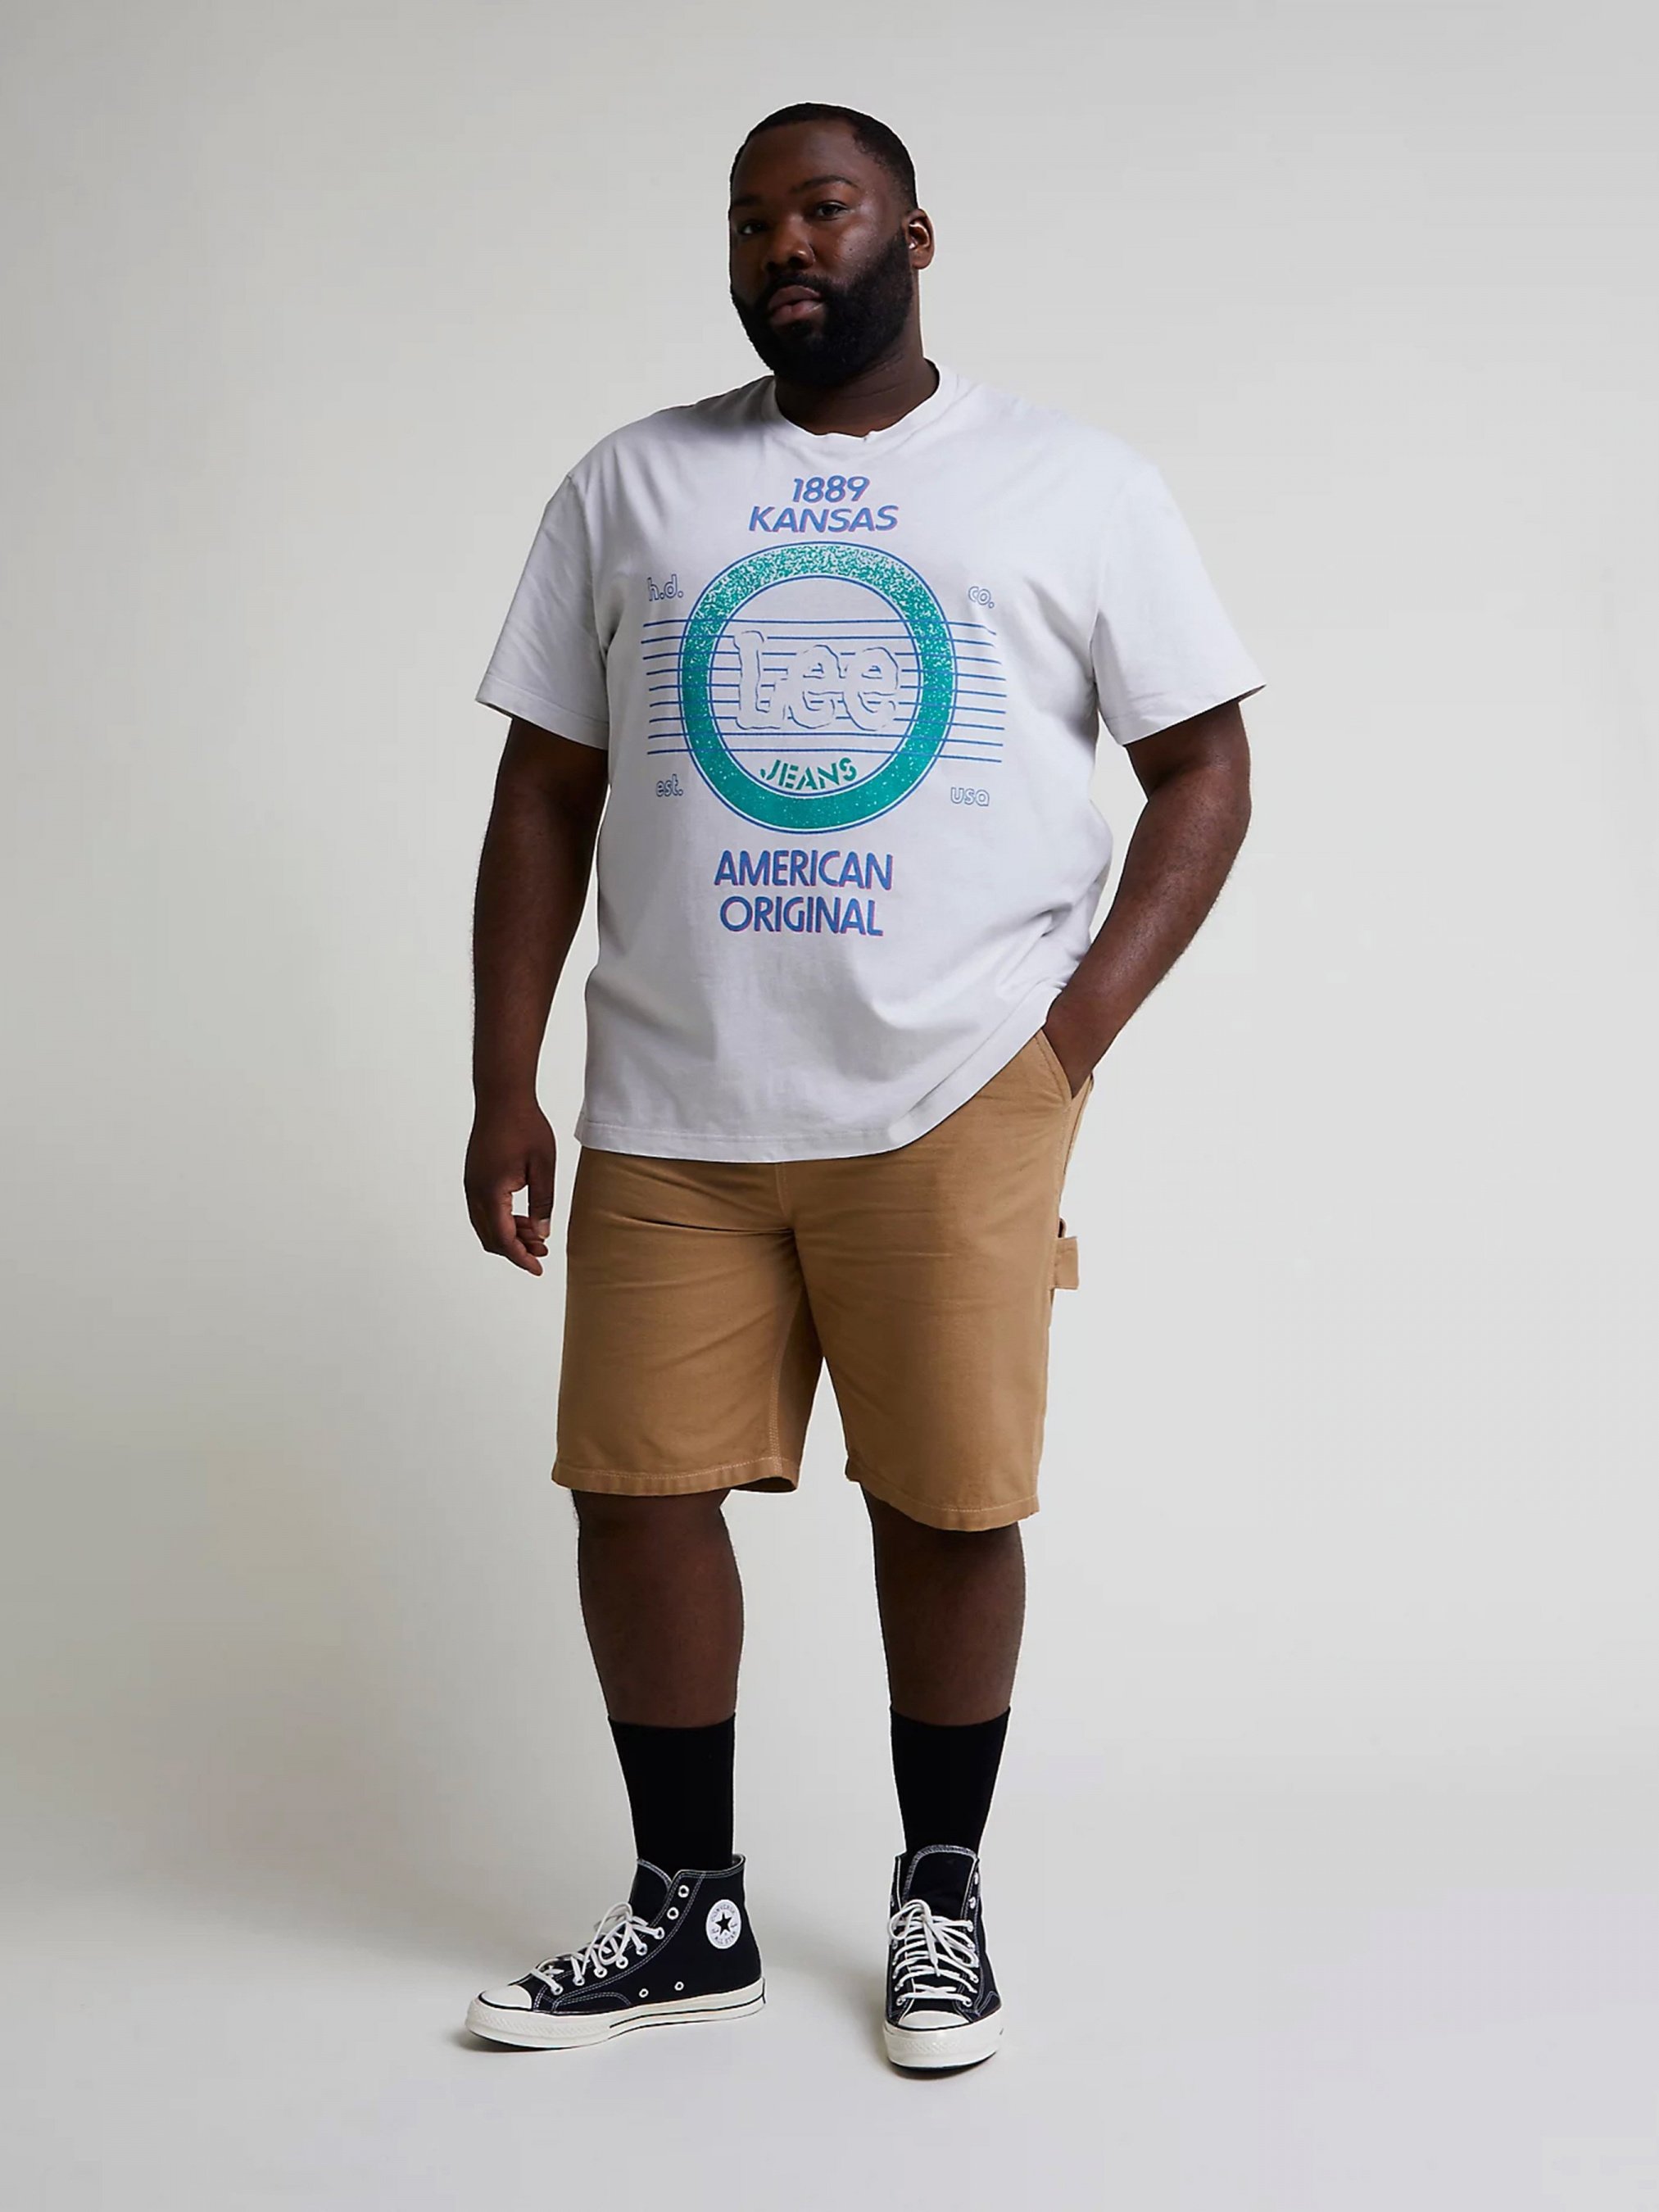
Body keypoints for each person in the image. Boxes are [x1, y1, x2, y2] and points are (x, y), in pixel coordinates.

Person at [460, 101, 1262, 2070]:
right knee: (631, 1496)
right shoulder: (633, 482)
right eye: (749, 221)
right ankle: (688, 1909)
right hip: (672, 1096)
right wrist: (503, 1082)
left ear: (912, 232)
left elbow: (1204, 768)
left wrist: (1067, 1038)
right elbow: (544, 789)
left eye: (822, 208)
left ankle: (937, 1898)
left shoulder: (1069, 482)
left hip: (952, 1084)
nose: (782, 247)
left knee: (949, 1502)